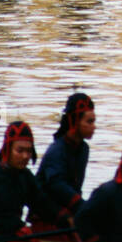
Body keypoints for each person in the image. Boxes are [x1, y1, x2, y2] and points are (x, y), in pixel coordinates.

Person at [34, 93, 94, 224]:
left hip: (71, 212)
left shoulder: (84, 148)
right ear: (75, 121)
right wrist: (82, 207)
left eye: (94, 121)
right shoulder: (56, 150)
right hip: (48, 215)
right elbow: (56, 186)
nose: (94, 126)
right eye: (89, 122)